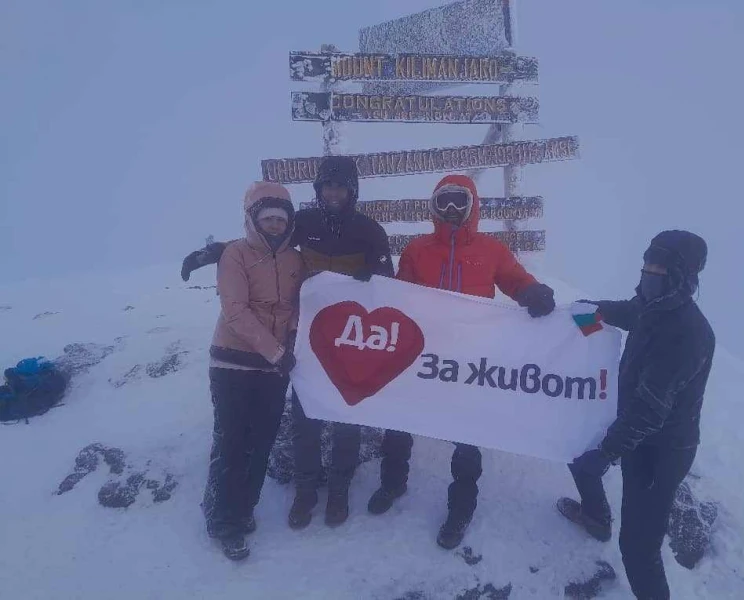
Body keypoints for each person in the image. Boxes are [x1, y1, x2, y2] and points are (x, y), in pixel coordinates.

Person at [183, 156, 394, 530]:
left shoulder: (370, 231)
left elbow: (387, 283)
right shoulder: (306, 224)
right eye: (327, 185)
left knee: (347, 416)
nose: (333, 192)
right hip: (307, 340)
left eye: (340, 186)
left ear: (352, 191)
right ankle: (305, 492)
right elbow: (264, 241)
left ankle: (340, 491)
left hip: (352, 340)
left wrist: (372, 275)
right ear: (317, 190)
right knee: (305, 418)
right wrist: (217, 251)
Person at [366, 173, 556, 549]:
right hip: (422, 353)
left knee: (468, 432)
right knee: (397, 417)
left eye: (459, 201)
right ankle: (393, 482)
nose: (451, 210)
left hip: (469, 357)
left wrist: (532, 291)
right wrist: (374, 285)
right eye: (444, 202)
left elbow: (515, 280)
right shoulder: (418, 250)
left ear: (472, 205)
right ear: (434, 207)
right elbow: (402, 293)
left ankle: (461, 507)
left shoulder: (491, 249)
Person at [558, 230, 715, 600]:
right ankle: (596, 519)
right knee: (577, 455)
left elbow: (650, 410)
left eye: (657, 268)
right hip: (634, 428)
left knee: (638, 549)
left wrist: (608, 452)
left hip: (660, 451)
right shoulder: (654, 306)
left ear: (680, 276)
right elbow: (628, 313)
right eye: (645, 265)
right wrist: (586, 313)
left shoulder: (689, 334)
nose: (647, 274)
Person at [201, 182, 304, 561]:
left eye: (281, 218)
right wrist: (276, 352)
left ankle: (243, 509)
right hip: (233, 360)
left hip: (273, 367)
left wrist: (291, 339)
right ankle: (222, 518)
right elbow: (235, 311)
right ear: (253, 220)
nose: (275, 224)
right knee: (231, 441)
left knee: (261, 441)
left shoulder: (296, 259)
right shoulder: (235, 255)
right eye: (268, 218)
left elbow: (296, 305)